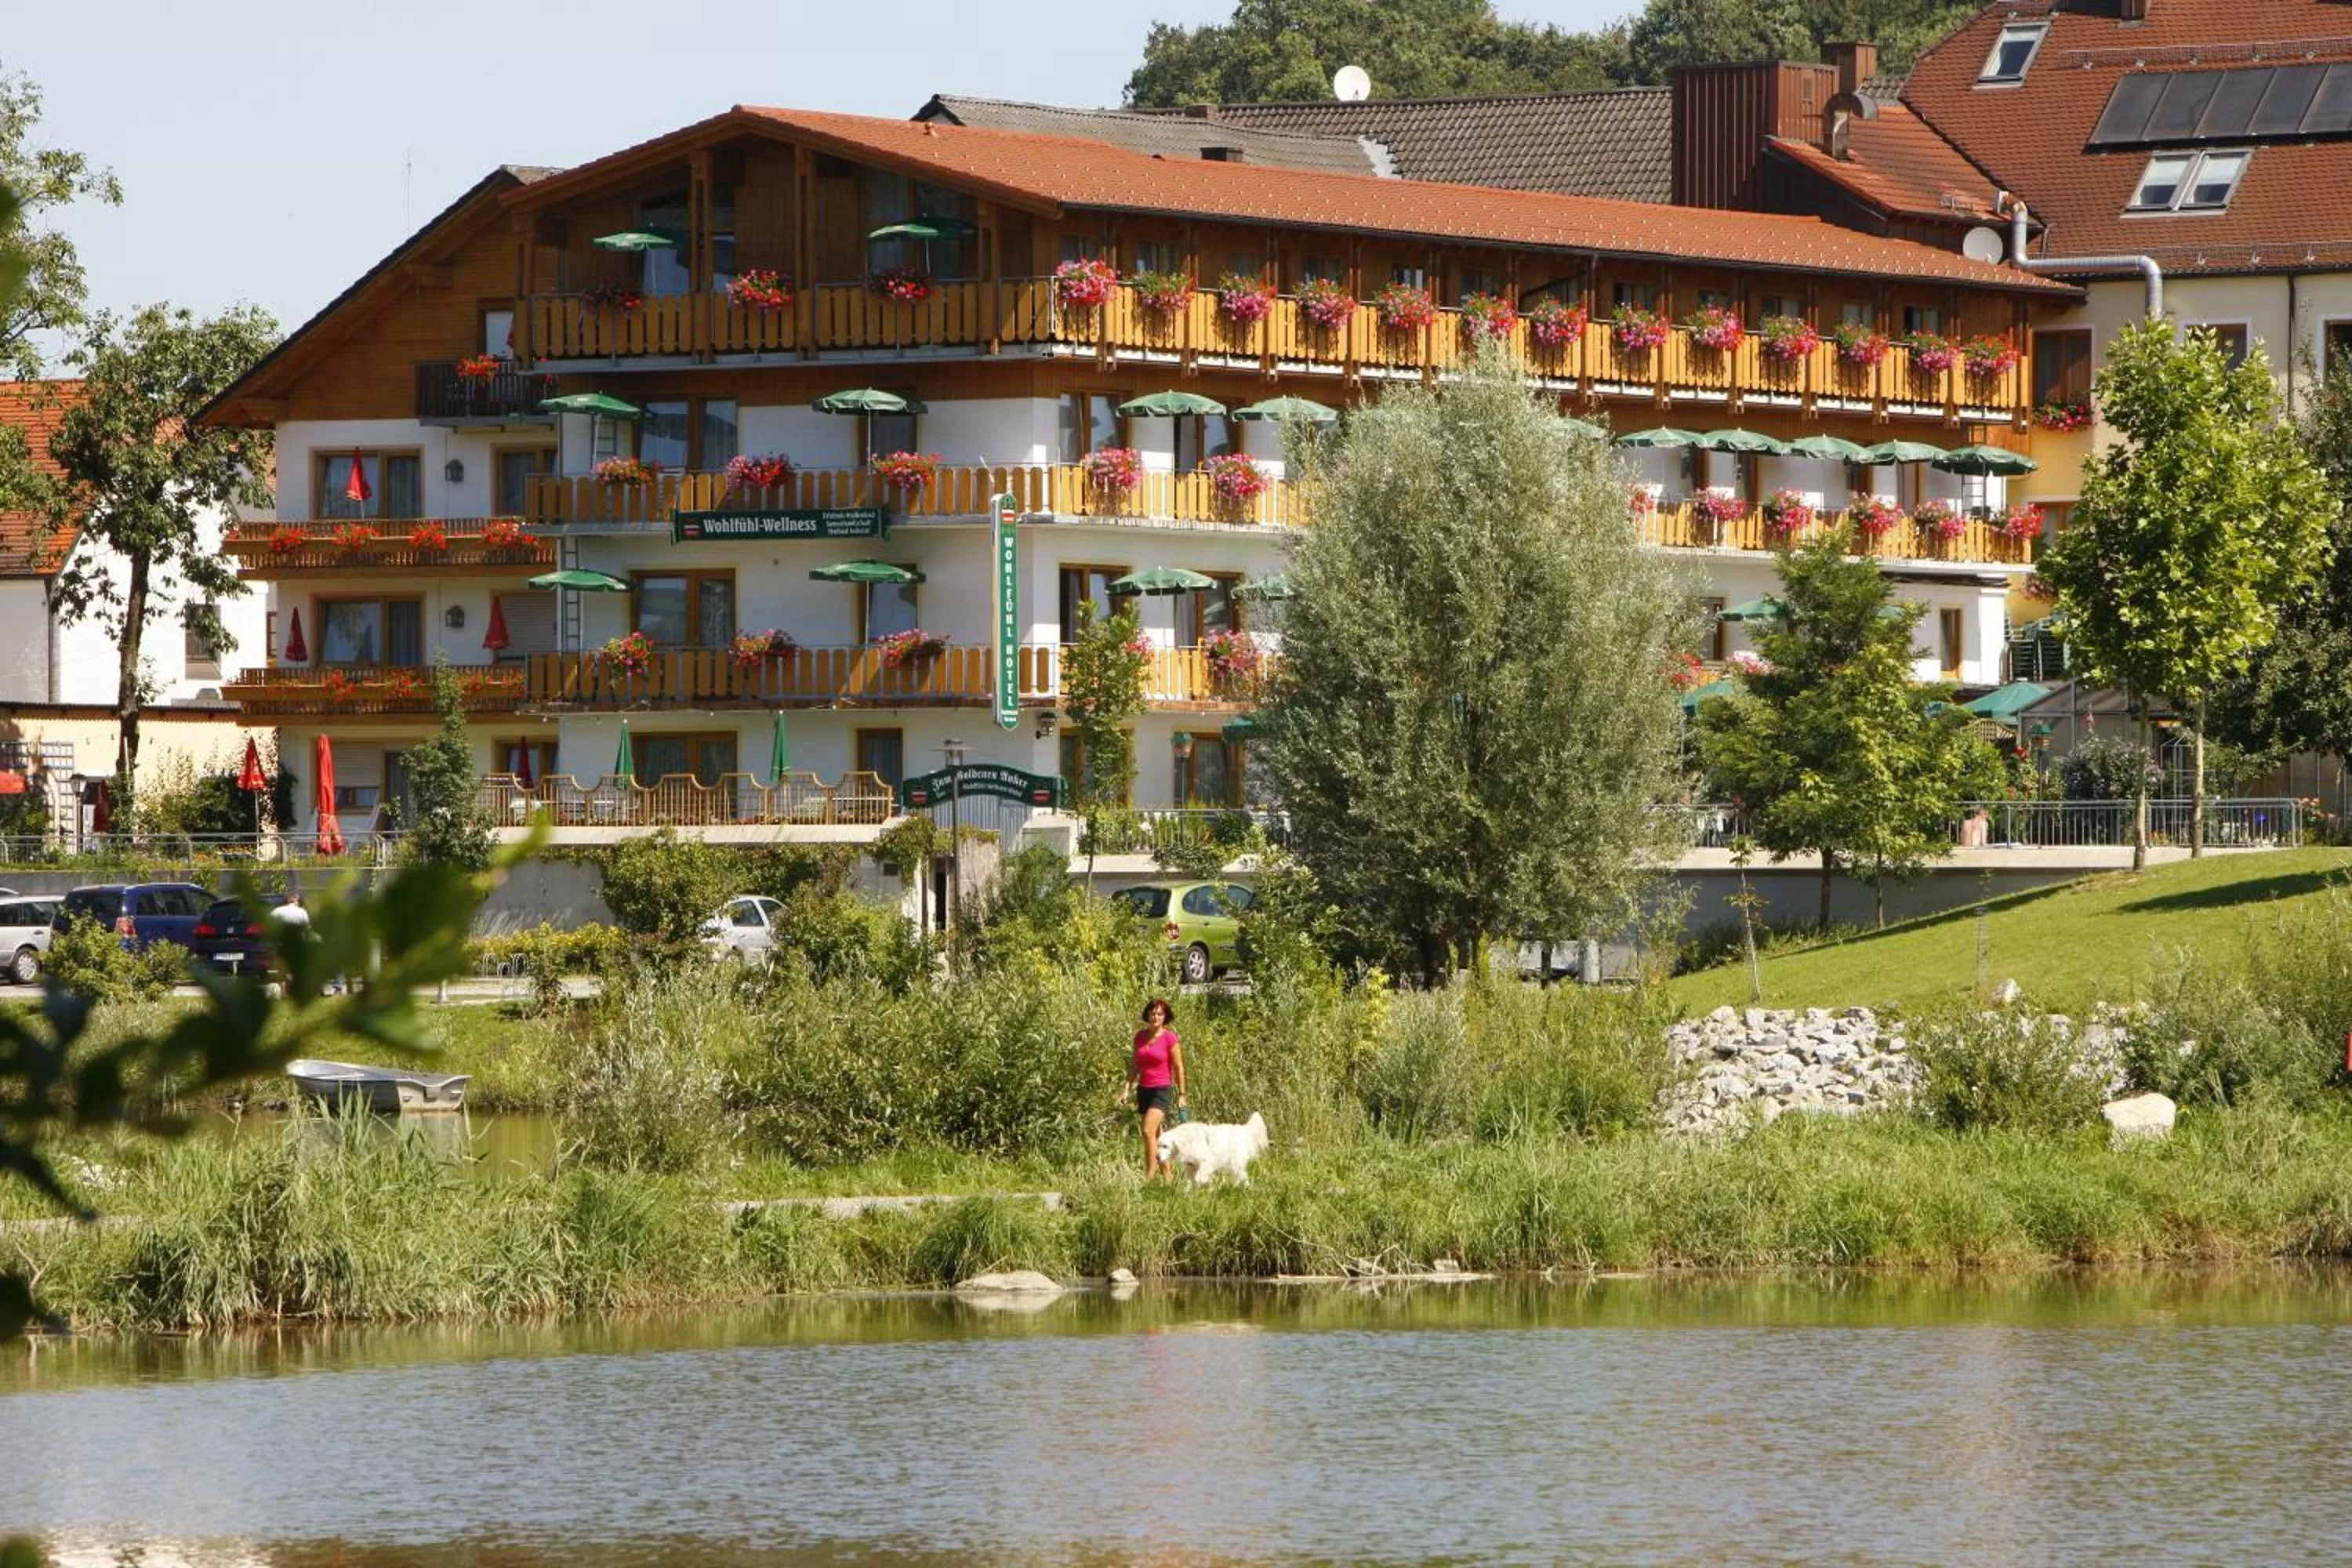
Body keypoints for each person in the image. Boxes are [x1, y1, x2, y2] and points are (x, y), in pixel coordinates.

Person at [1128, 996, 1188, 1179]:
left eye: (1160, 1014)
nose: (1156, 1017)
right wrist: (1126, 1087)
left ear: (1165, 1017)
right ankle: (1168, 1177)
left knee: (1147, 1131)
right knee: (1157, 1134)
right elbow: (1135, 1065)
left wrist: (1182, 1094)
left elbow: (1178, 1066)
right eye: (1153, 1013)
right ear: (1147, 1015)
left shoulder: (1170, 1038)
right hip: (1144, 1089)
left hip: (1161, 1089)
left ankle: (1149, 1178)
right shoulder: (1140, 1037)